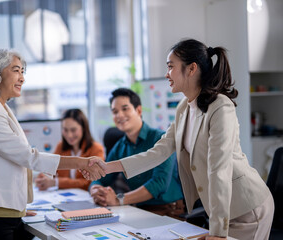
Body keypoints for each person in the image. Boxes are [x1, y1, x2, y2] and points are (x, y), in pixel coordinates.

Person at [87, 39, 274, 240]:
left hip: (246, 208)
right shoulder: (184, 108)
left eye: (170, 67)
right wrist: (107, 167)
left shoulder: (221, 107)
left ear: (192, 68)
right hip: (221, 209)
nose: (167, 74)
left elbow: (219, 169)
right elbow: (156, 153)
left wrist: (218, 232)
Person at [0, 49, 104, 240]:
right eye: (16, 70)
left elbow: (14, 162)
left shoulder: (0, 108)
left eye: (23, 72)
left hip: (4, 212)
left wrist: (19, 208)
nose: (22, 78)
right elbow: (27, 156)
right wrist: (81, 162)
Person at [89, 88, 184, 218]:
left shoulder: (161, 138)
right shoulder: (120, 146)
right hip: (138, 210)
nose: (119, 115)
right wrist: (95, 190)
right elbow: (101, 177)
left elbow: (159, 183)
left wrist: (118, 200)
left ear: (138, 110)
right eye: (115, 112)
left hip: (168, 211)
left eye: (125, 109)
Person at [35, 108, 104, 191]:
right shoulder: (61, 146)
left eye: (73, 130)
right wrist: (44, 177)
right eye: (65, 130)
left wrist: (56, 182)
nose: (69, 135)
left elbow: (89, 182)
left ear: (83, 128)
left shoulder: (96, 149)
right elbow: (51, 170)